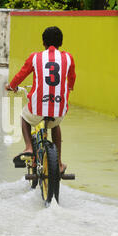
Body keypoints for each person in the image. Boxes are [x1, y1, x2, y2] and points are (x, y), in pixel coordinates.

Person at [5, 26, 76, 174]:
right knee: (56, 126)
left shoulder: (36, 57)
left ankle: (29, 147)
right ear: (60, 43)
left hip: (37, 109)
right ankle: (59, 163)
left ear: (43, 42)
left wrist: (11, 86)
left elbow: (21, 75)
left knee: (24, 117)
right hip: (59, 109)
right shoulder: (68, 57)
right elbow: (72, 77)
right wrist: (70, 87)